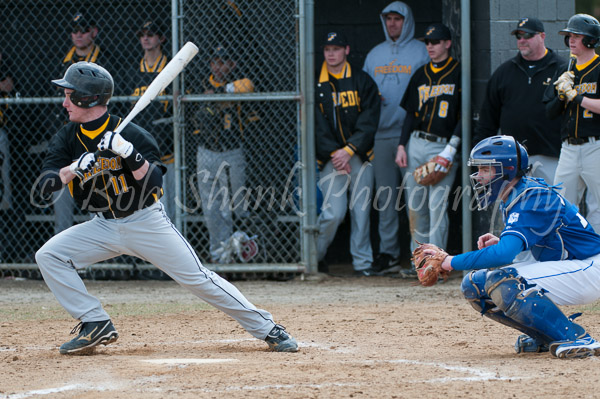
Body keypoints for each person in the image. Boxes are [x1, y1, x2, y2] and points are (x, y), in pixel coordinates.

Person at [34, 61, 298, 354]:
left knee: (198, 279)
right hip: (102, 225)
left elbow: (154, 185)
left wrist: (128, 154)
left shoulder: (133, 136)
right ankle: (94, 321)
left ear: (89, 98)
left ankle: (268, 328)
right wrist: (73, 168)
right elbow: (46, 185)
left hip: (145, 222)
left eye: (70, 95)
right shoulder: (68, 137)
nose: (64, 101)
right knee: (49, 255)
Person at [436, 135, 600, 359]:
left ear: (508, 170)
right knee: (474, 286)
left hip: (589, 268)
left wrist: (450, 261)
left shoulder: (531, 197)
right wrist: (503, 241)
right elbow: (539, 242)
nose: (480, 176)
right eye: (480, 169)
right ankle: (546, 336)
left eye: (486, 169)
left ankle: (576, 337)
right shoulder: (516, 194)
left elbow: (504, 254)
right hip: (573, 266)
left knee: (504, 281)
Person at [363, 1, 429, 274]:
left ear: (407, 21)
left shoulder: (421, 51)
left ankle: (423, 256)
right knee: (386, 198)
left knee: (417, 198)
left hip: (411, 136)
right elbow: (365, 95)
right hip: (380, 135)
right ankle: (388, 255)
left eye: (397, 19)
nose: (392, 24)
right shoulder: (374, 55)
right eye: (388, 19)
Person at [395, 23, 461, 266]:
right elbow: (411, 114)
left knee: (437, 207)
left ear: (447, 44)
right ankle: (421, 264)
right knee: (416, 206)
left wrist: (451, 149)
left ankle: (437, 264)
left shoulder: (458, 72)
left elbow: (465, 116)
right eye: (428, 43)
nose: (430, 46)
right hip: (416, 143)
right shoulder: (420, 74)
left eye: (435, 42)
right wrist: (402, 145)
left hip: (441, 146)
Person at [315, 31, 381, 276]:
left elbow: (370, 119)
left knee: (362, 212)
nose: (331, 53)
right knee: (333, 213)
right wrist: (336, 153)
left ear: (347, 50)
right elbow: (315, 124)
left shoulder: (362, 80)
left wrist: (349, 150)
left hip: (359, 156)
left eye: (336, 48)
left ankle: (362, 264)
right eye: (327, 49)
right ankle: (314, 258)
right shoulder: (316, 83)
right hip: (331, 158)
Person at [474, 17, 565, 184]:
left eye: (528, 35)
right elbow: (488, 118)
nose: (522, 40)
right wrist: (482, 158)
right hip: (512, 159)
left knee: (551, 207)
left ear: (542, 36)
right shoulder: (504, 72)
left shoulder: (561, 69)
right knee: (514, 207)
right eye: (518, 36)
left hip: (551, 156)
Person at [52, 12, 115, 235]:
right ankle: (63, 254)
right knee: (61, 202)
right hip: (69, 141)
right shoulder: (62, 61)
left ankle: (104, 260)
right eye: (75, 30)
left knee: (99, 206)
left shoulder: (106, 61)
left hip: (96, 141)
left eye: (84, 30)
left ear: (94, 32)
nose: (78, 35)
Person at [193, 46, 258, 264]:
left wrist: (220, 95)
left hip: (232, 152)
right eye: (215, 62)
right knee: (211, 208)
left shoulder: (239, 83)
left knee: (236, 206)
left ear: (232, 65)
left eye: (224, 62)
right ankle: (219, 257)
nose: (219, 67)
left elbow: (249, 86)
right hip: (206, 152)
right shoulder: (201, 83)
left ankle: (240, 253)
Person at [545, 13, 600, 233]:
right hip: (568, 147)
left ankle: (598, 260)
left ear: (591, 40)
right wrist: (560, 94)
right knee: (561, 204)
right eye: (569, 36)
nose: (572, 40)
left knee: (597, 206)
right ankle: (569, 254)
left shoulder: (598, 67)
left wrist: (575, 95)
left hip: (595, 146)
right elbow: (549, 112)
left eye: (577, 35)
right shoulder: (565, 69)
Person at [131, 20, 174, 220]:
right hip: (138, 152)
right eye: (142, 34)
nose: (146, 38)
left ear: (162, 38)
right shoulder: (132, 71)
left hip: (166, 152)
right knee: (138, 209)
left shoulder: (171, 69)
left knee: (167, 209)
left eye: (151, 33)